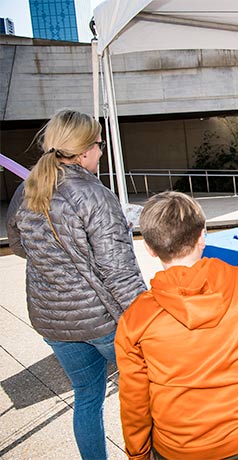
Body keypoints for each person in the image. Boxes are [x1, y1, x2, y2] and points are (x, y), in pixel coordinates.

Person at [115, 191, 238, 460]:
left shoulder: (137, 317)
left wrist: (138, 453)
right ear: (202, 235)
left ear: (149, 248)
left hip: (178, 446)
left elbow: (134, 399)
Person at [6, 109, 147, 459]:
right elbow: (119, 273)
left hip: (52, 320)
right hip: (102, 321)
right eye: (99, 145)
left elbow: (20, 245)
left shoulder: (27, 188)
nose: (100, 152)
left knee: (87, 397)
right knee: (147, 393)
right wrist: (149, 317)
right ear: (84, 151)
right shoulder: (95, 195)